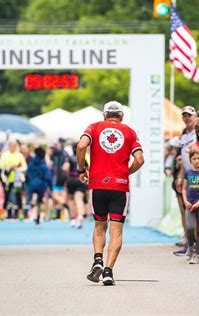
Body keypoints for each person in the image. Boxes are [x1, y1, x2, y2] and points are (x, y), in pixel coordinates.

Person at [77, 101, 144, 286]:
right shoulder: (129, 131)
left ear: (104, 115)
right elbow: (139, 159)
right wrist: (127, 172)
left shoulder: (94, 127)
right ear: (121, 116)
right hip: (119, 187)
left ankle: (97, 259)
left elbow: (81, 146)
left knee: (99, 226)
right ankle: (108, 271)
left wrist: (82, 170)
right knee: (116, 230)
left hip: (97, 184)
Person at [174, 106, 198, 255]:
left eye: (189, 115)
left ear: (194, 116)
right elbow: (183, 159)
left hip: (198, 174)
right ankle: (189, 241)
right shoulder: (184, 134)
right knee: (185, 209)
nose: (186, 118)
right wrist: (180, 177)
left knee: (197, 211)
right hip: (186, 174)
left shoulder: (198, 133)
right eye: (184, 116)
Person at [0, 139, 27, 219]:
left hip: (17, 180)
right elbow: (1, 166)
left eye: (14, 146)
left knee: (18, 196)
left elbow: (24, 167)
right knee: (6, 196)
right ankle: (4, 213)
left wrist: (16, 168)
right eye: (10, 145)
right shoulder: (4, 155)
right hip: (7, 180)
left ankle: (20, 213)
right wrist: (10, 167)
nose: (12, 147)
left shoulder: (19, 155)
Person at [25, 147, 52, 227]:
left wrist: (28, 183)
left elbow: (26, 174)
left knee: (32, 196)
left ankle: (32, 201)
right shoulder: (43, 166)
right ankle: (38, 218)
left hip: (31, 184)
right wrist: (50, 187)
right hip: (41, 185)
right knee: (39, 202)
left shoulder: (30, 163)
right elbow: (48, 177)